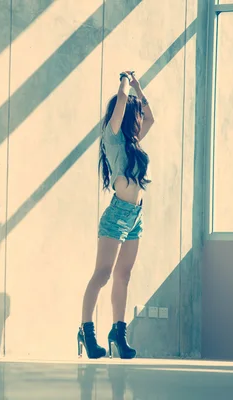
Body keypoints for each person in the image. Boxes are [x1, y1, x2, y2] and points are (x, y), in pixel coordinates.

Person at [77, 71, 155, 359]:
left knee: (124, 275)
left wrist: (139, 88)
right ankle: (86, 331)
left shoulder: (134, 142)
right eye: (133, 115)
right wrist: (125, 80)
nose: (138, 120)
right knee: (102, 274)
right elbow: (121, 100)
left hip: (135, 216)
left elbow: (151, 119)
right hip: (116, 216)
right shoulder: (112, 139)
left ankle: (118, 334)